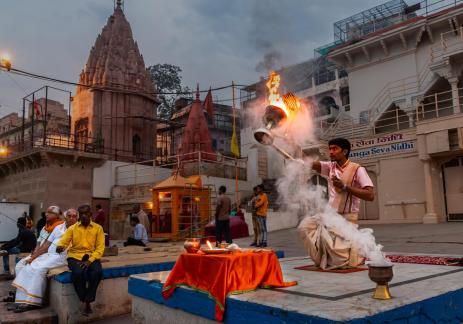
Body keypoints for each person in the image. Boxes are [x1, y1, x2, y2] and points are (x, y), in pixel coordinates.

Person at [300, 137, 375, 269]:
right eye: (330, 149)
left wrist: (345, 187)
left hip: (347, 217)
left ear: (344, 151)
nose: (331, 152)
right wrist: (292, 139)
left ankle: (355, 256)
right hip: (330, 215)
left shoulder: (357, 169)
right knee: (305, 227)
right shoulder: (330, 167)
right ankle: (322, 259)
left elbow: (370, 195)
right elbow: (309, 162)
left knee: (340, 261)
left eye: (335, 149)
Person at [9, 209, 78, 312]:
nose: (71, 218)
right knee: (23, 264)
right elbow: (46, 245)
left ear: (77, 218)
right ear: (65, 217)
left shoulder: (79, 229)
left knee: (37, 268)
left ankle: (34, 302)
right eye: (69, 216)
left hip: (62, 257)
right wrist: (33, 257)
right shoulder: (59, 227)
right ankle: (21, 300)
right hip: (49, 254)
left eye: (74, 216)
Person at [56, 204, 105, 316]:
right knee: (78, 273)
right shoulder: (72, 228)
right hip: (74, 256)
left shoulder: (98, 228)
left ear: (90, 214)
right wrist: (60, 247)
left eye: (86, 213)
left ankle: (88, 300)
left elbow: (100, 248)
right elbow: (63, 241)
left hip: (91, 257)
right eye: (81, 214)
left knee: (97, 272)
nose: (83, 216)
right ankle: (84, 300)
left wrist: (89, 261)